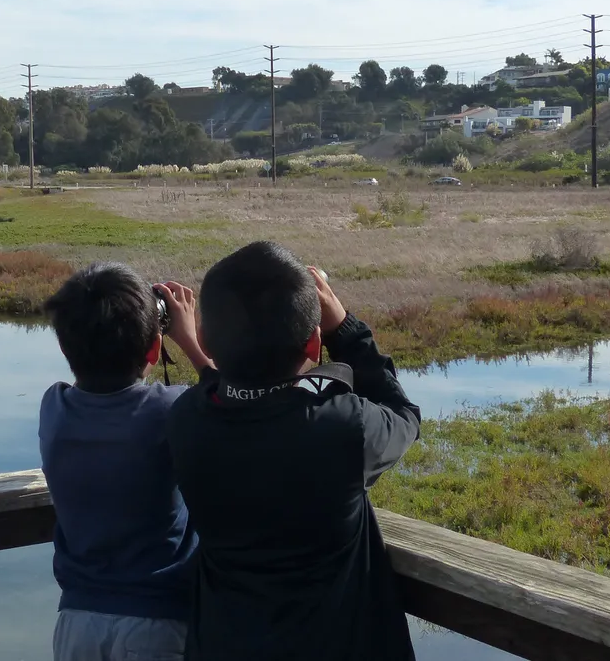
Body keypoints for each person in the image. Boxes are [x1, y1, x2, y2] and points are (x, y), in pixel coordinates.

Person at [167, 241, 422, 661]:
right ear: (311, 346)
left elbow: (221, 392)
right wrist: (345, 328)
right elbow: (402, 415)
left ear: (208, 340)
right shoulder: (343, 426)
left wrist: (192, 345)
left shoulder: (185, 421)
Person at [39, 262, 215, 661]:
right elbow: (234, 407)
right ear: (155, 348)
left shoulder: (54, 407)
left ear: (65, 347)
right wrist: (189, 340)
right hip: (158, 622)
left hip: (77, 621)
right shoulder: (172, 410)